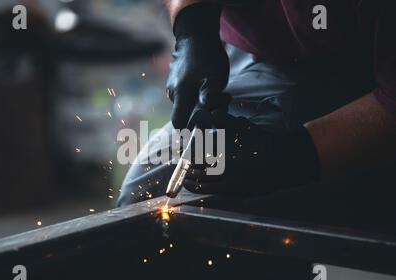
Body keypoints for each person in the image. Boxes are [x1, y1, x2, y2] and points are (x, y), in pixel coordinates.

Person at [118, 0, 396, 205]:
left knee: (213, 201)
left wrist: (288, 159)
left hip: (362, 74)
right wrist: (193, 28)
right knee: (142, 193)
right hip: (253, 47)